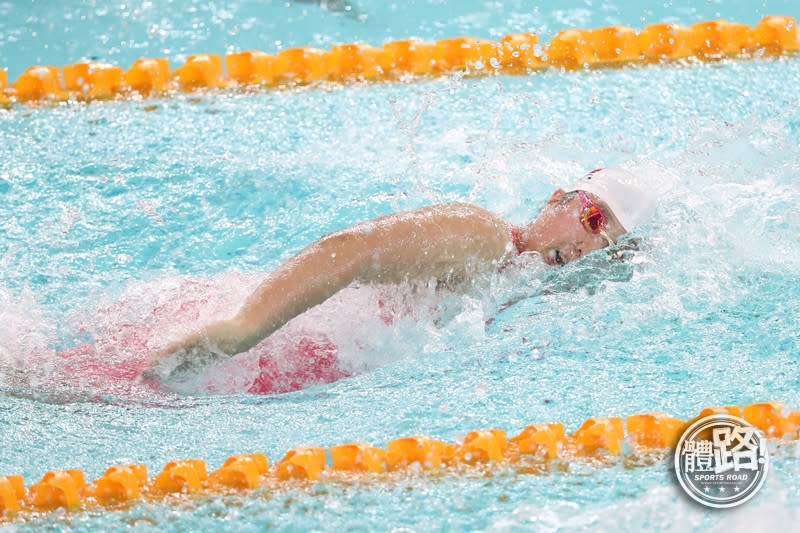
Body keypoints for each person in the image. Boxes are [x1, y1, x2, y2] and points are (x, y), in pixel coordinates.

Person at [146, 167, 655, 375]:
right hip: (234, 340)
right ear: (555, 199)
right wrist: (243, 330)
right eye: (593, 219)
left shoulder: (509, 278)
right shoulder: (481, 235)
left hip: (267, 366)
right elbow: (349, 249)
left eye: (607, 245)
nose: (589, 245)